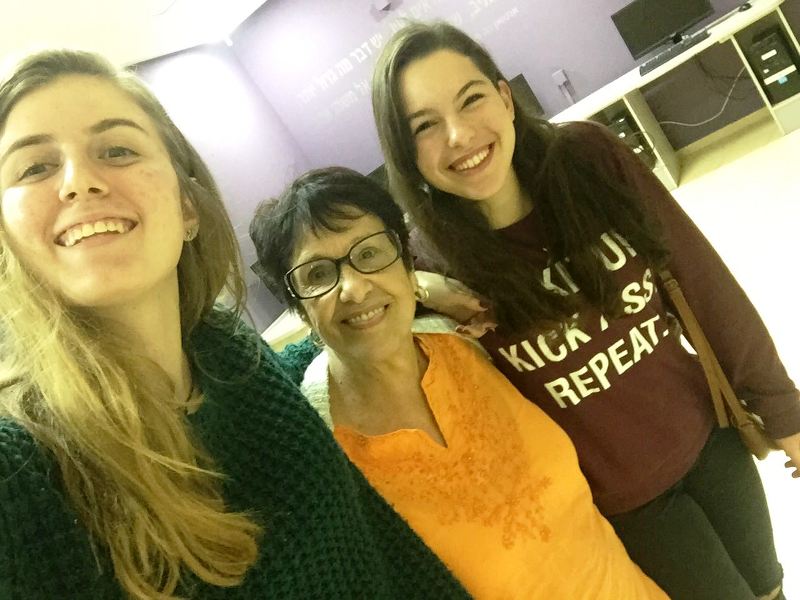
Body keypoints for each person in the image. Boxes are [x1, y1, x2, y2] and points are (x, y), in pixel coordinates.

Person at [0, 50, 474, 600]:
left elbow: (291, 372)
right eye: (34, 167)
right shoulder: (17, 476)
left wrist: (407, 292)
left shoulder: (225, 352)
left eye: (117, 150)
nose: (79, 182)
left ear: (188, 208)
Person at [370, 20, 798, 600]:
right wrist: (418, 285)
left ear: (504, 97)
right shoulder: (432, 260)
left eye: (471, 99)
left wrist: (783, 409)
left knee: (770, 587)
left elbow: (704, 281)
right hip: (625, 505)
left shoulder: (586, 159)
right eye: (424, 126)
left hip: (708, 434)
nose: (459, 134)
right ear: (406, 153)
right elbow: (346, 337)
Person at [249, 166, 668, 600]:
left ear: (405, 259)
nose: (354, 288)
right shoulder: (325, 460)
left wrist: (426, 290)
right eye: (318, 275)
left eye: (369, 252)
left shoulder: (465, 341)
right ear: (298, 306)